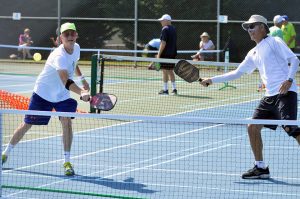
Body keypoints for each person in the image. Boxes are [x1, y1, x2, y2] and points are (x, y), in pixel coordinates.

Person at [200, 15, 300, 179]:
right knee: (252, 127)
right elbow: (237, 73)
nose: (249, 30)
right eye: (247, 28)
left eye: (252, 26)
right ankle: (260, 168)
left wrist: (289, 80)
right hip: (269, 96)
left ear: (262, 27)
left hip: (285, 93)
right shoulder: (253, 52)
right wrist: (212, 80)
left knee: (291, 129)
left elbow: (294, 60)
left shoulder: (275, 41)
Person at [2, 22, 90, 176]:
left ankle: (67, 161)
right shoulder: (58, 56)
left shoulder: (76, 48)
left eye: (72, 33)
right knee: (27, 124)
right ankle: (5, 153)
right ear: (61, 38)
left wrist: (82, 79)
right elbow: (65, 81)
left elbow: (74, 63)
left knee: (66, 122)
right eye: (66, 34)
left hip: (62, 95)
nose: (70, 36)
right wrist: (81, 92)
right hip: (43, 93)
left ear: (76, 35)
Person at [157, 14, 178, 95]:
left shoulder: (165, 29)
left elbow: (163, 43)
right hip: (172, 54)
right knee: (170, 71)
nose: (161, 22)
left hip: (165, 54)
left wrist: (159, 55)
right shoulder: (174, 29)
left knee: (165, 72)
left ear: (167, 21)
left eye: (162, 20)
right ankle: (174, 89)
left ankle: (166, 90)